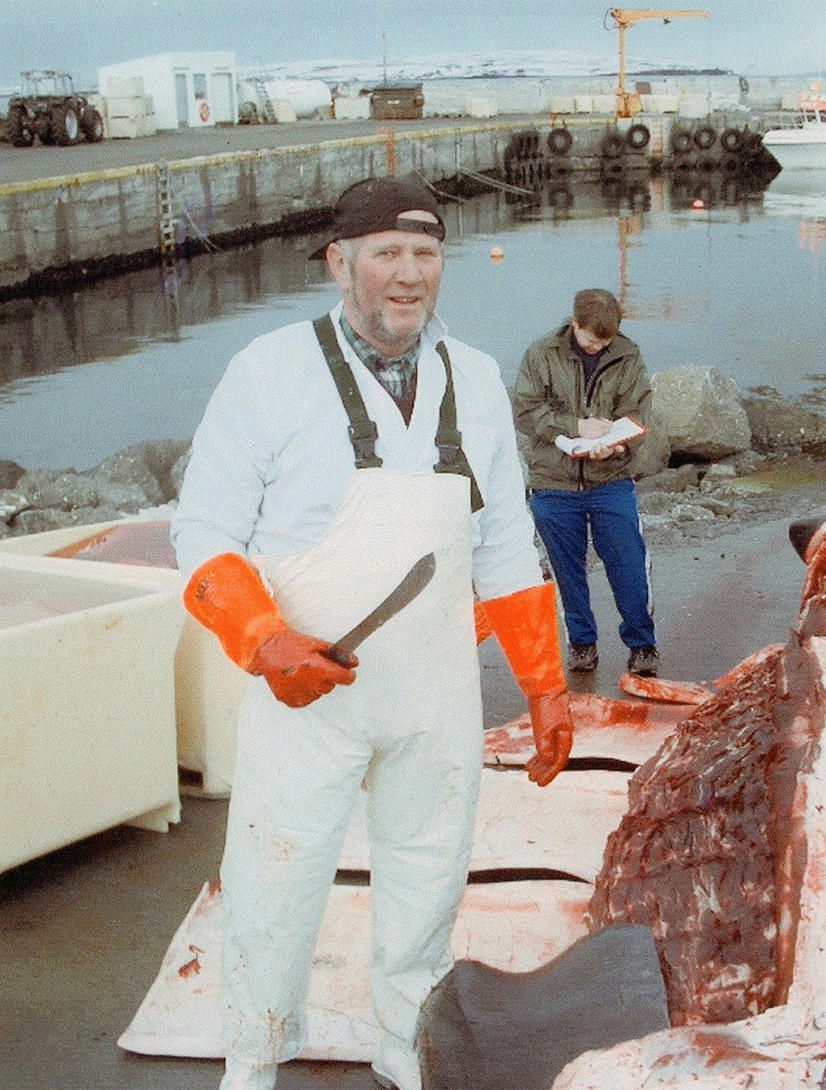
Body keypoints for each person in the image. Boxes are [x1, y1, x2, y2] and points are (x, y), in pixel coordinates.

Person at [171, 175, 574, 1090]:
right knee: (276, 882)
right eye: (387, 254)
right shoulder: (268, 371)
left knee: (428, 881)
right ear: (339, 263)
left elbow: (508, 538)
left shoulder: (472, 377)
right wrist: (263, 641)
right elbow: (204, 532)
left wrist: (546, 687)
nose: (408, 275)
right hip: (305, 691)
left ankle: (406, 1047)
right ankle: (253, 1056)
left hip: (436, 692)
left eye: (426, 254)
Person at [512, 288, 668, 678]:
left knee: (629, 565)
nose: (598, 346)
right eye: (591, 339)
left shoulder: (628, 356)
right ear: (574, 323)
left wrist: (615, 448)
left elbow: (637, 414)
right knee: (567, 570)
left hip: (611, 480)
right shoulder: (540, 353)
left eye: (606, 341)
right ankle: (582, 643)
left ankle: (642, 645)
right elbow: (526, 411)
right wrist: (575, 427)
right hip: (553, 484)